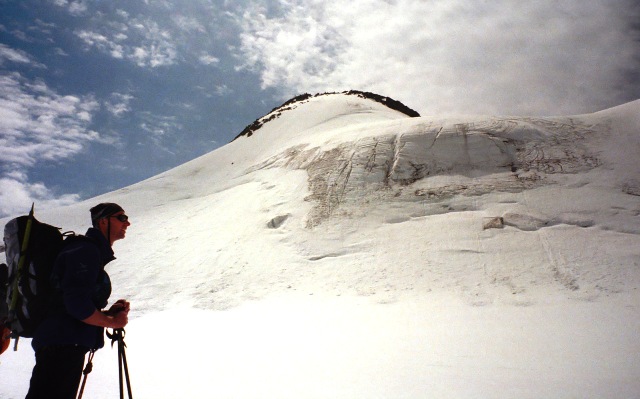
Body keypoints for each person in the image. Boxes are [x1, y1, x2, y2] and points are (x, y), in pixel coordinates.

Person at [25, 203, 132, 399]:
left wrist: (108, 314)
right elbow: (77, 306)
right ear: (103, 221)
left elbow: (71, 303)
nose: (128, 223)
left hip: (60, 344)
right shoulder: (85, 250)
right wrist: (112, 322)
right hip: (62, 346)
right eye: (121, 218)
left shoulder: (86, 250)